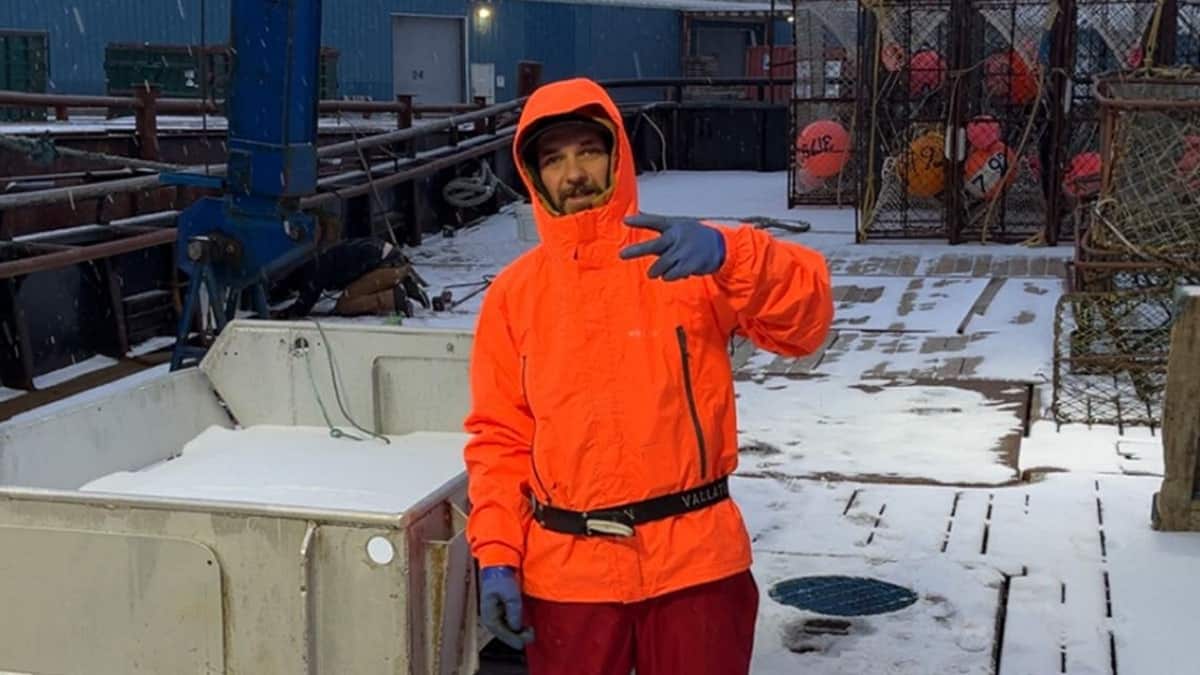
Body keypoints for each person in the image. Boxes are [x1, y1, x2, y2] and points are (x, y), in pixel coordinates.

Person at [462, 77, 834, 674]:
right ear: (534, 177)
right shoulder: (513, 297)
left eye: (588, 150)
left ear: (617, 155)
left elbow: (805, 324)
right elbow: (500, 441)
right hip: (570, 580)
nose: (574, 173)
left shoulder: (683, 258)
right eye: (554, 159)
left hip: (696, 567)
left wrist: (733, 254)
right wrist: (498, 554)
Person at [274, 232, 430, 319]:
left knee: (346, 304)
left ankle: (395, 297)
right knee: (361, 287)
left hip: (385, 265)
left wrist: (284, 313)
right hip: (391, 258)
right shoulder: (325, 256)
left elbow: (303, 306)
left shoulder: (315, 269)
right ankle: (402, 280)